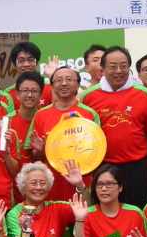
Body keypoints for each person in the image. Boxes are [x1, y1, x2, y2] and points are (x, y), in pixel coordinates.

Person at [83, 46, 147, 208]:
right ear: (103, 68)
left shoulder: (144, 94)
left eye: (123, 66)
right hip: (103, 166)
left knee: (136, 211)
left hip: (136, 166)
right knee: (104, 211)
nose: (118, 71)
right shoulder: (88, 96)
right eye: (112, 66)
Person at [29, 67, 97, 201]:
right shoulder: (41, 115)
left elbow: (97, 151)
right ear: (52, 86)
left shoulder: (89, 114)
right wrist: (41, 150)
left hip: (81, 183)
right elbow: (36, 157)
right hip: (51, 185)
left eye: (69, 79)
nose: (64, 83)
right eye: (58, 80)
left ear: (78, 84)